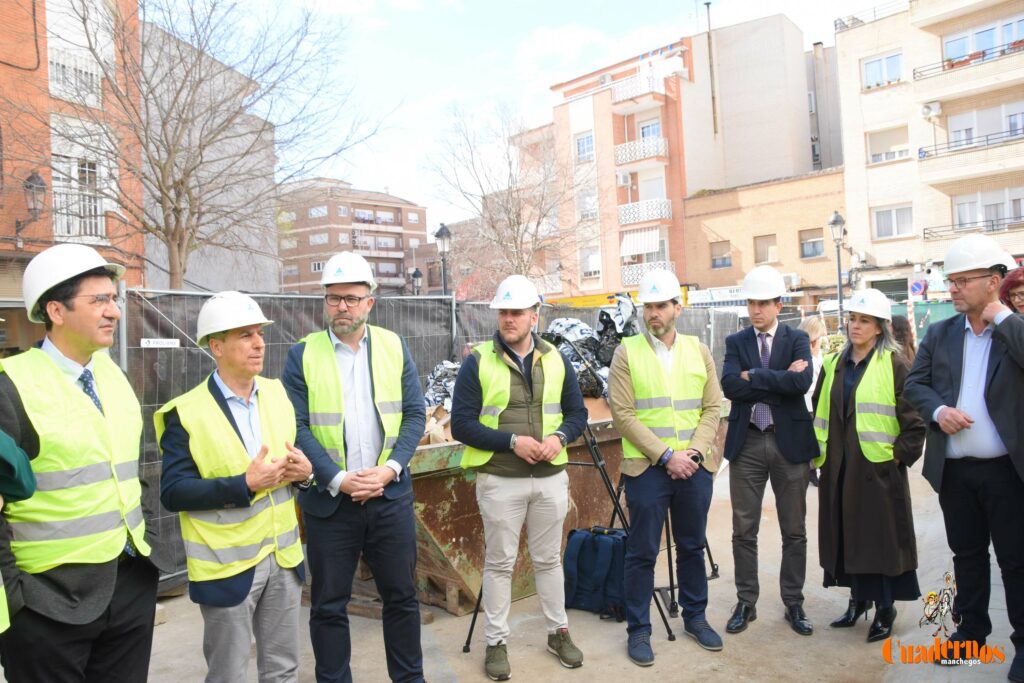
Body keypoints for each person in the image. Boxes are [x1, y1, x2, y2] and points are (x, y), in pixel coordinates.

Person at [0, 244, 165, 682]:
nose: (114, 311)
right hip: (46, 604)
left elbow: (130, 471)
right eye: (99, 301)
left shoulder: (111, 374)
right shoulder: (11, 387)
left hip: (128, 584)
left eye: (114, 299)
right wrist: (15, 600)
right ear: (56, 309)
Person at [283, 251, 427, 683]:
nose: (341, 306)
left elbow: (415, 415)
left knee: (402, 599)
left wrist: (390, 470)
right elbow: (298, 424)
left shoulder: (393, 346)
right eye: (332, 298)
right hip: (331, 504)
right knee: (328, 605)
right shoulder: (301, 354)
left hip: (389, 496)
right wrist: (339, 479)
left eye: (350, 297)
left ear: (369, 302)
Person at [156, 292, 313, 683]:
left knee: (284, 671)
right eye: (245, 335)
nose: (259, 343)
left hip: (283, 559)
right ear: (216, 346)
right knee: (229, 675)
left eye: (259, 333)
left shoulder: (277, 395)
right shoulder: (186, 413)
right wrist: (243, 484)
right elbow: (173, 492)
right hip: (227, 568)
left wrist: (306, 473)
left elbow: (298, 464)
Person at [450, 274, 587, 681]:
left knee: (548, 560)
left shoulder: (557, 360)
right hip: (500, 478)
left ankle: (557, 632)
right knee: (499, 563)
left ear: (534, 315)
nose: (508, 319)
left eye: (516, 312)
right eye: (503, 312)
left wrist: (560, 438)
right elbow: (461, 424)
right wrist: (513, 441)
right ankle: (495, 642)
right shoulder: (478, 361)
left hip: (549, 476)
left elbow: (577, 414)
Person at [904, 234, 1024, 682]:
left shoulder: (1015, 327)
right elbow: (915, 384)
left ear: (994, 282)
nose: (952, 289)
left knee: (1016, 561)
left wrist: (1006, 320)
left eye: (962, 281)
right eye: (950, 281)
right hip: (956, 472)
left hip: (1008, 474)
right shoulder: (941, 332)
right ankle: (971, 635)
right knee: (967, 556)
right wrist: (938, 411)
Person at [607, 269, 723, 666]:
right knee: (641, 552)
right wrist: (666, 456)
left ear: (678, 307)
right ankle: (639, 630)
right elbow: (623, 415)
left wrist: (692, 454)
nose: (653, 314)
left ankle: (696, 617)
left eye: (661, 306)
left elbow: (712, 408)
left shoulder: (699, 350)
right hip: (647, 468)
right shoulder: (627, 352)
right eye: (648, 307)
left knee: (692, 546)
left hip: (693, 466)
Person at [811, 289, 926, 643]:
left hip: (877, 468)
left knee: (881, 541)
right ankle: (857, 600)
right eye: (852, 319)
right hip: (839, 468)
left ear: (879, 327)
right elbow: (818, 408)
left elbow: (916, 419)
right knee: (846, 536)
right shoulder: (833, 363)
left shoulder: (894, 364)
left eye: (864, 321)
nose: (855, 326)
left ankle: (886, 607)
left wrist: (897, 457)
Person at [720, 265, 817, 637]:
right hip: (747, 444)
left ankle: (793, 601)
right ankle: (747, 601)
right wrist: (777, 381)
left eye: (763, 303)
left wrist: (754, 377)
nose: (755, 310)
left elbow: (801, 382)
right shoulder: (736, 342)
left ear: (779, 304)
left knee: (794, 529)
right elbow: (730, 385)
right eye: (751, 303)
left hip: (788, 443)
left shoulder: (796, 339)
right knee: (743, 529)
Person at [798, 317, 828, 488]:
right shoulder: (803, 358)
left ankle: (814, 469)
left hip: (817, 407)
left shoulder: (819, 357)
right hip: (807, 406)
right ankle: (810, 470)